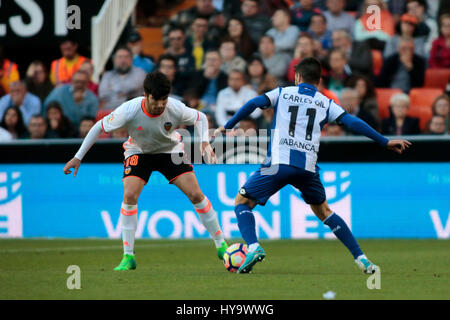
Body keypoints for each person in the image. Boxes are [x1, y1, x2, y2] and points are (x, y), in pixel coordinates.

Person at [213, 57, 411, 274]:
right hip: (307, 169)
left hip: (278, 163)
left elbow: (253, 104)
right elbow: (352, 121)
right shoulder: (325, 102)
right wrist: (384, 141)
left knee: (242, 202)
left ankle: (253, 246)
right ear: (319, 81)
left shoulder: (282, 92)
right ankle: (362, 259)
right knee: (324, 211)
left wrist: (227, 126)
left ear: (297, 77)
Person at [63, 71, 228, 270]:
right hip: (139, 151)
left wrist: (204, 143)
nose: (160, 104)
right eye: (155, 100)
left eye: (164, 99)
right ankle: (128, 257)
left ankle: (221, 244)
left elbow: (200, 117)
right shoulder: (129, 110)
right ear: (146, 94)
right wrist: (78, 157)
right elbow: (99, 127)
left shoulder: (175, 107)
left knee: (195, 194)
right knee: (130, 195)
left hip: (169, 151)